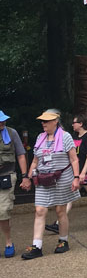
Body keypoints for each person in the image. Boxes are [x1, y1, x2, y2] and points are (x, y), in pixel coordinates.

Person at [19, 109, 81, 259]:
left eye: (46, 121)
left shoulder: (65, 137)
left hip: (61, 179)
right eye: (42, 121)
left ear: (55, 121)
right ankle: (37, 246)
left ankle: (63, 240)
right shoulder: (40, 137)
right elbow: (35, 160)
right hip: (42, 179)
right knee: (40, 210)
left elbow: (74, 159)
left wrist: (76, 177)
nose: (43, 123)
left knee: (60, 211)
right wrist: (27, 177)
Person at [50, 113, 87, 233]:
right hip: (77, 171)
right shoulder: (74, 136)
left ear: (81, 124)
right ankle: (58, 223)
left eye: (74, 122)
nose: (72, 125)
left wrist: (83, 173)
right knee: (70, 196)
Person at [0, 109, 30, 258]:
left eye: (3, 120)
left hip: (6, 176)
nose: (2, 123)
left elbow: (20, 154)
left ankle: (8, 241)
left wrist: (25, 176)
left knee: (3, 211)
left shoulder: (11, 133)